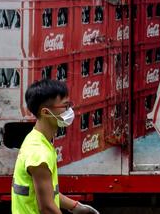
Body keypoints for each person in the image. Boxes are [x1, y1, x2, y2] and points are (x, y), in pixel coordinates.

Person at [12, 79, 99, 214]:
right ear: (45, 112)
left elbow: (47, 194)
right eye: (65, 106)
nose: (69, 110)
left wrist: (75, 206)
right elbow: (47, 208)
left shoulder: (36, 139)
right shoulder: (39, 153)